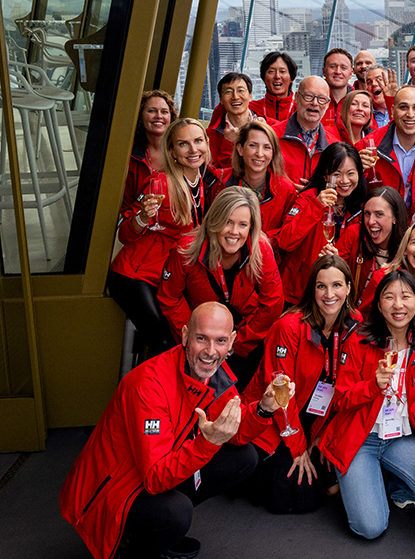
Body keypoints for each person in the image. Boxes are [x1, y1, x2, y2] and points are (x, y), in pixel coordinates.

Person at [60, 303, 280, 559]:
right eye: (202, 338)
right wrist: (207, 443)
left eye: (220, 341)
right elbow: (154, 479)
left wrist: (263, 409)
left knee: (244, 458)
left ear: (232, 343)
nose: (210, 351)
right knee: (175, 513)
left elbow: (235, 435)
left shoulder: (215, 372)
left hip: (156, 467)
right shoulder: (148, 385)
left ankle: (155, 537)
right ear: (185, 334)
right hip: (109, 492)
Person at [318, 270, 415, 539]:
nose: (398, 305)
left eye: (406, 296)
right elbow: (341, 399)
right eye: (389, 297)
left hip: (399, 438)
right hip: (360, 439)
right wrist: (372, 385)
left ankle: (390, 485)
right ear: (379, 305)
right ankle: (357, 479)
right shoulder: (359, 340)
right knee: (370, 528)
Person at [244, 255, 360, 513]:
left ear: (349, 287)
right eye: (321, 286)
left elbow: (350, 390)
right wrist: (298, 449)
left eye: (337, 285)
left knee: (323, 470)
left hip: (319, 418)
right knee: (292, 487)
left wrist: (323, 435)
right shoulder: (288, 327)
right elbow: (280, 396)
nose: (329, 294)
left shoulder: (356, 326)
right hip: (276, 416)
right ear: (312, 290)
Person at [158, 186, 284, 389]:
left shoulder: (261, 249)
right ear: (214, 221)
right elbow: (169, 297)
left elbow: (273, 303)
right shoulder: (186, 249)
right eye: (228, 222)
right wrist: (194, 336)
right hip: (200, 333)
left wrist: (238, 342)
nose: (235, 232)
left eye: (243, 224)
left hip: (242, 338)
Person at [108, 118, 216, 355]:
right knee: (166, 342)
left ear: (207, 144)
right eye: (183, 144)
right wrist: (142, 218)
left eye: (198, 141)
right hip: (136, 276)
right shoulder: (160, 183)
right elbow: (125, 235)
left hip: (173, 275)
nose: (193, 150)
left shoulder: (208, 180)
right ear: (172, 151)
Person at [278, 142, 366, 302]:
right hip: (301, 293)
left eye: (351, 173)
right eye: (337, 174)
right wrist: (316, 206)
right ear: (325, 175)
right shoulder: (309, 198)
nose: (345, 181)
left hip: (337, 295)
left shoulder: (359, 208)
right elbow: (285, 241)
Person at [357, 85, 415, 213]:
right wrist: (357, 172)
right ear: (392, 111)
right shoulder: (366, 146)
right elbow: (351, 196)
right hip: (380, 226)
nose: (410, 114)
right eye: (403, 107)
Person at [211, 118, 296, 238]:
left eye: (267, 147)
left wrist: (262, 240)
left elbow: (286, 234)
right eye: (253, 145)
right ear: (240, 149)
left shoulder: (286, 189)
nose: (259, 153)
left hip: (265, 254)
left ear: (273, 153)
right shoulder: (220, 179)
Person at [334, 186, 411, 302]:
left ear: (395, 217)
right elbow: (335, 278)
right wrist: (334, 263)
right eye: (367, 213)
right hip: (356, 314)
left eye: (379, 214)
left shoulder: (409, 247)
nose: (370, 221)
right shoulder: (355, 234)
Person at [274, 75, 341, 187]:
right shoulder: (273, 136)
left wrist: (314, 190)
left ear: (328, 104)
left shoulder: (334, 145)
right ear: (296, 97)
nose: (315, 103)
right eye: (309, 96)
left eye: (321, 99)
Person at [122, 89, 174, 217]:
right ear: (141, 116)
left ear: (171, 117)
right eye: (151, 111)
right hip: (142, 226)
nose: (159, 116)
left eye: (164, 112)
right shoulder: (131, 156)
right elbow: (125, 207)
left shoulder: (181, 153)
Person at [205, 71, 260, 169]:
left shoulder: (269, 126)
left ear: (250, 96)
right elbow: (216, 175)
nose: (235, 97)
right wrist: (229, 143)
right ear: (221, 99)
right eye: (229, 92)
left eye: (240, 90)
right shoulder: (210, 136)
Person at [251, 51, 297, 122]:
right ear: (263, 78)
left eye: (282, 71)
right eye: (271, 72)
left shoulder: (301, 110)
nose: (277, 76)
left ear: (292, 78)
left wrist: (267, 121)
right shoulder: (251, 108)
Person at [321, 47, 354, 129]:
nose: (338, 72)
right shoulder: (312, 101)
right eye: (332, 67)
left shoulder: (358, 101)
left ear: (350, 74)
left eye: (343, 68)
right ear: (324, 72)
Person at [365, 65, 394, 129]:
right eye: (369, 82)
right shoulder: (364, 116)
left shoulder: (401, 110)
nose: (374, 84)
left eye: (379, 80)